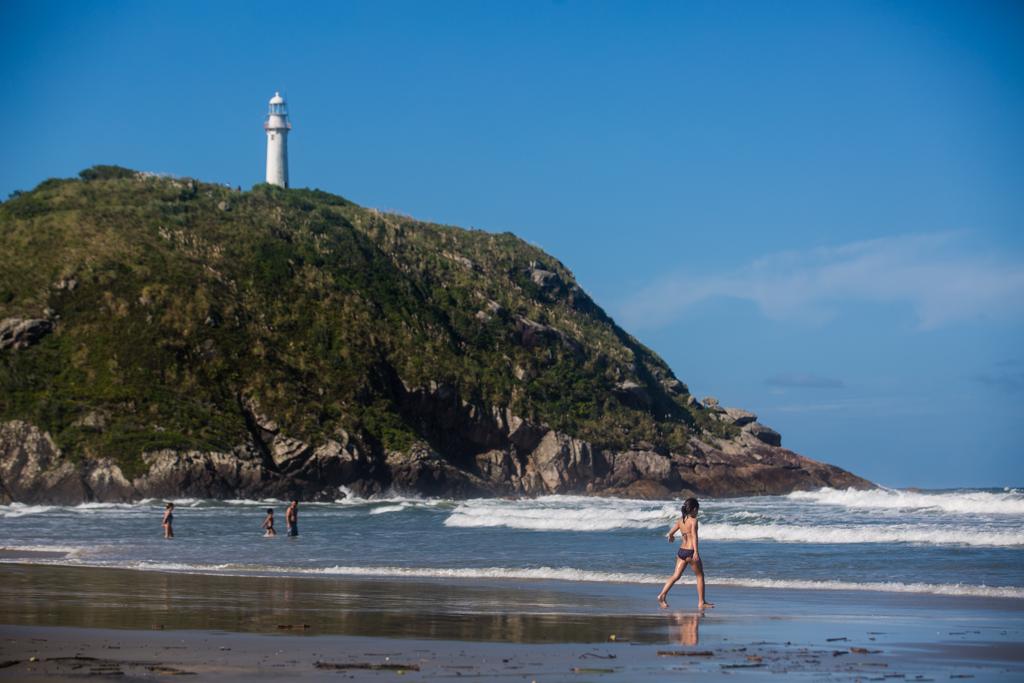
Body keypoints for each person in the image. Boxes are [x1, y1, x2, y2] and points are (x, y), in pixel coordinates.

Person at [657, 497, 714, 609]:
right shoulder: (694, 521)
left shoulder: (681, 520)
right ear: (694, 509)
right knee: (700, 575)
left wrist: (671, 537)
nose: (697, 512)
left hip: (681, 551)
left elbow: (670, 533)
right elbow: (694, 537)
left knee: (676, 575)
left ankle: (662, 595)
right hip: (691, 551)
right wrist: (696, 552)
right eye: (697, 510)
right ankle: (701, 602)